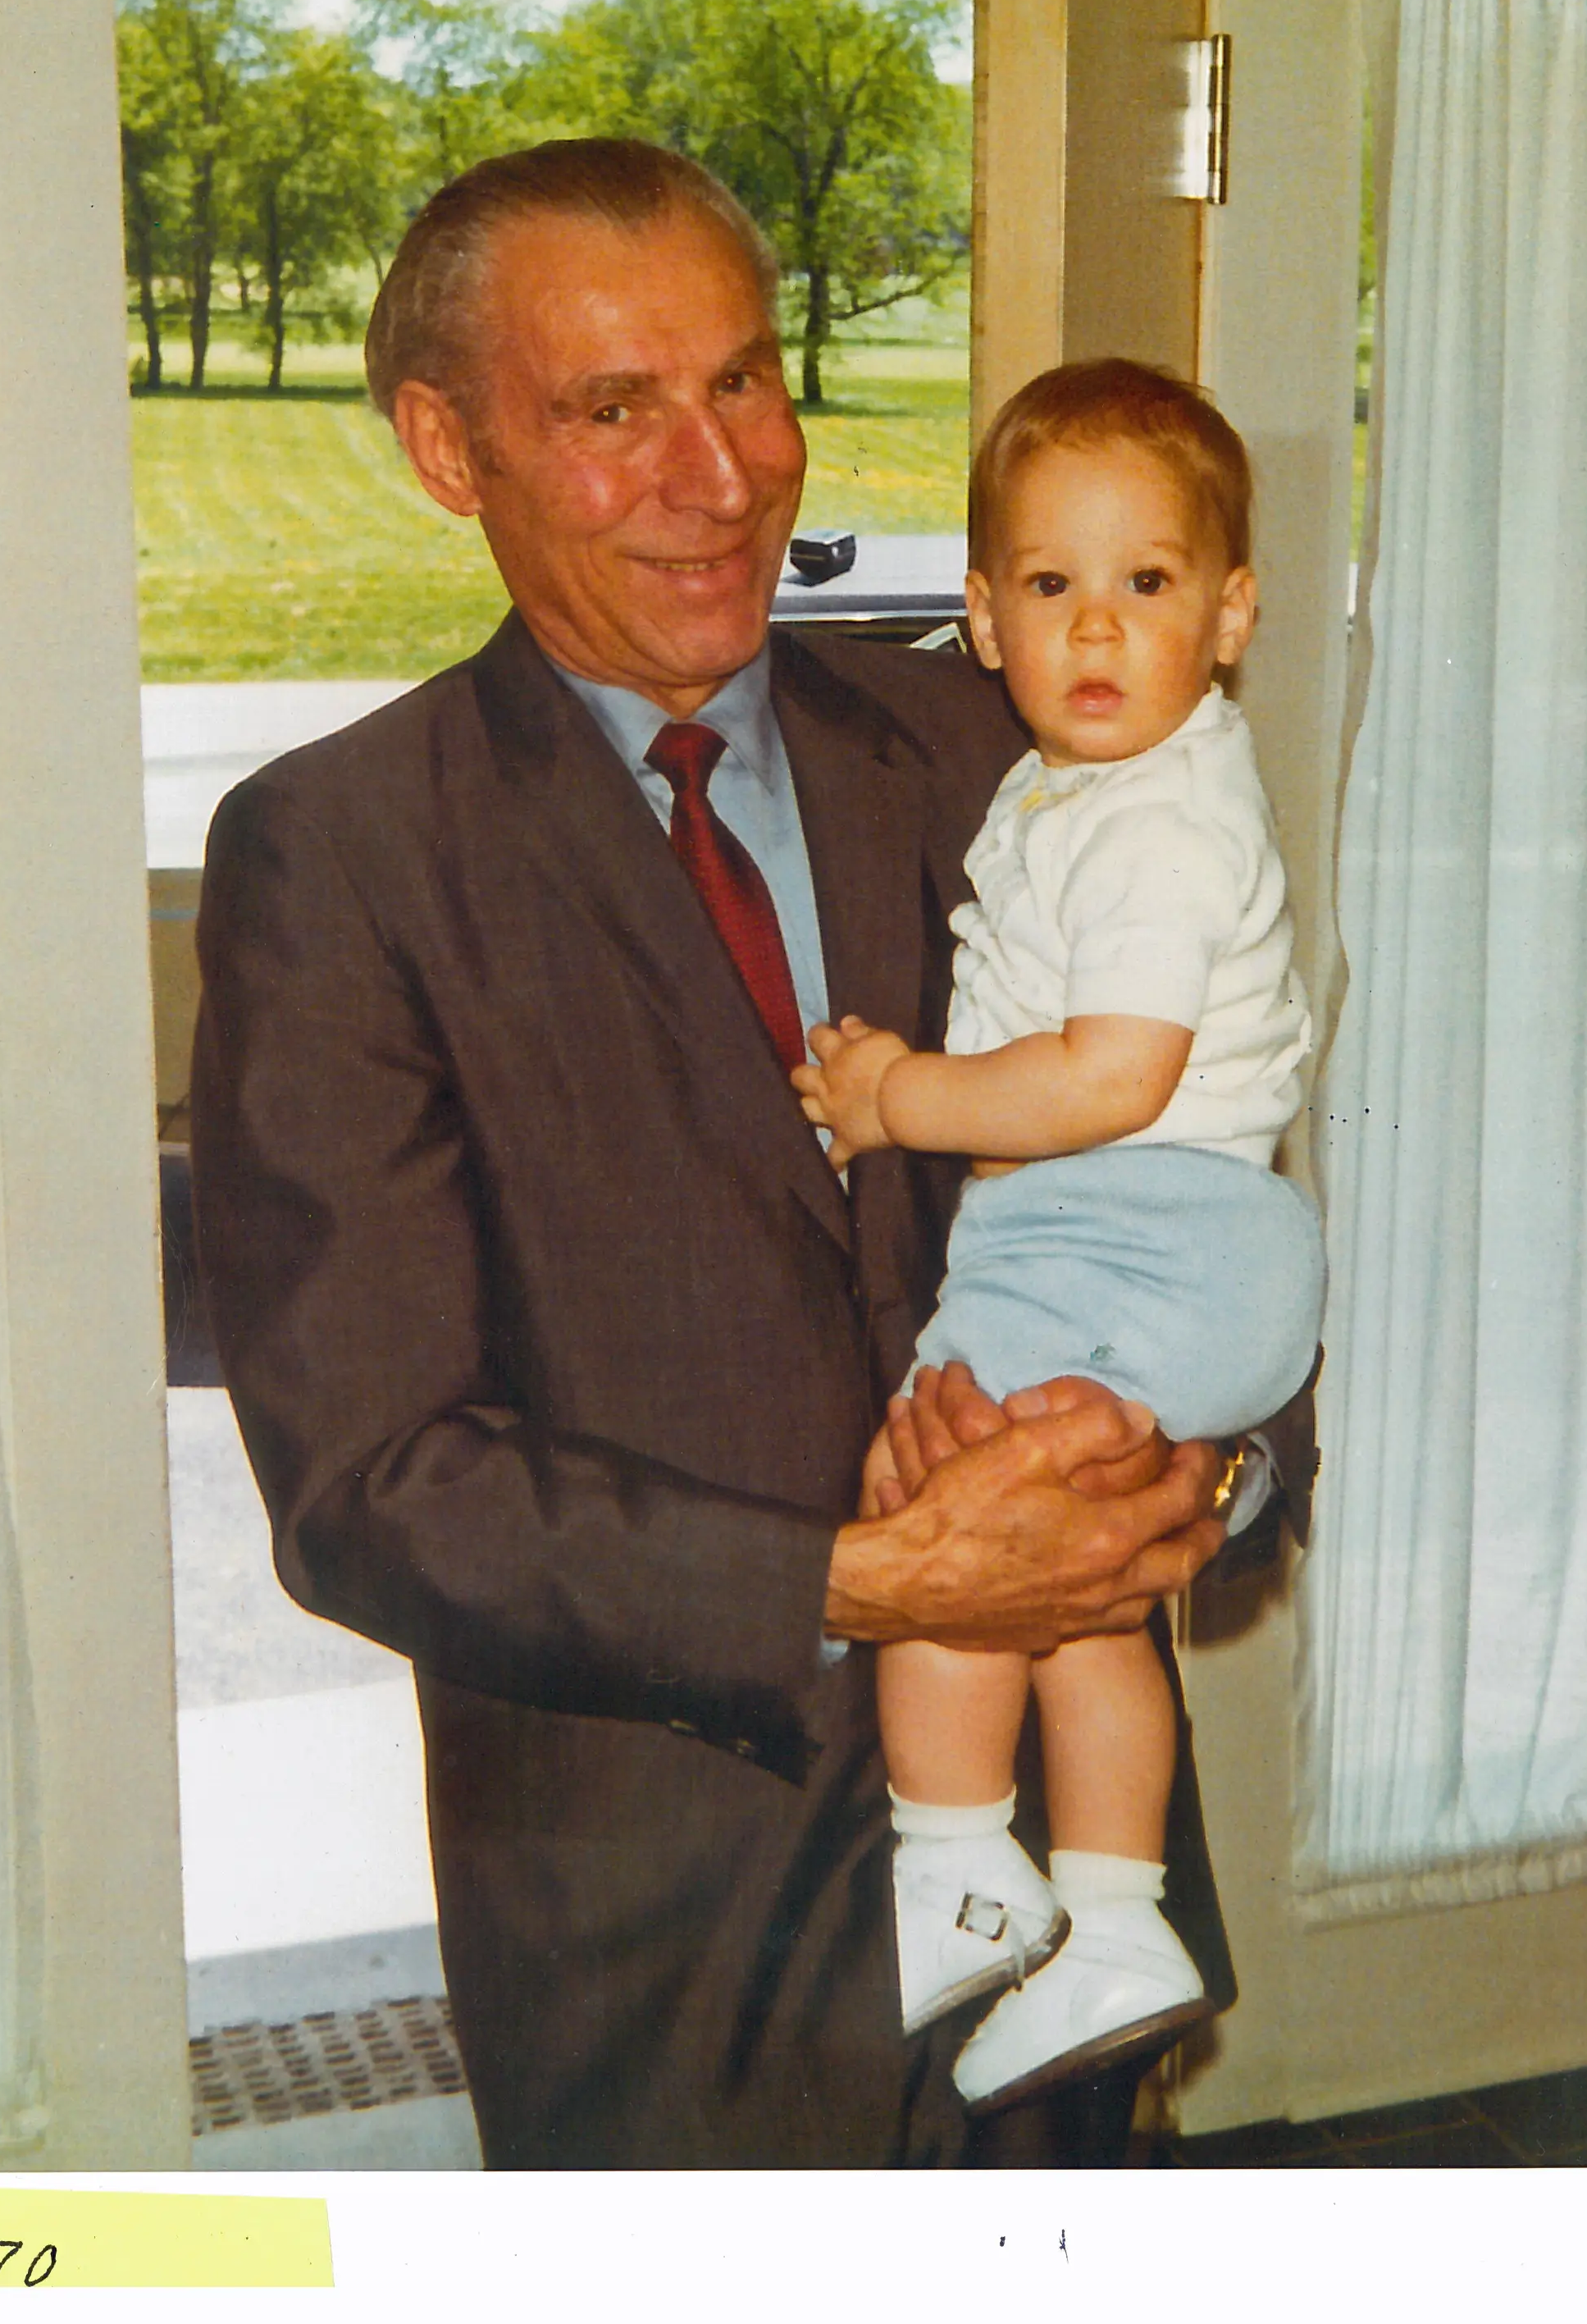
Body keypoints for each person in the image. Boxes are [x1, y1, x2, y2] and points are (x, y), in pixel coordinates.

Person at [189, 140, 1295, 2171]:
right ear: (450, 447)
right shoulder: (340, 858)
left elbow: (1207, 1187)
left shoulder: (1009, 748)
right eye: (616, 411)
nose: (726, 476)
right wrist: (870, 1577)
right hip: (670, 1957)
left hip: (1067, 1902)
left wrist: (1202, 1470)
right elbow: (374, 1482)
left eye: (747, 379)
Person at [796, 361, 1325, 2115]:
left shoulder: (1156, 819)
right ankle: (1112, 1903)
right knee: (1081, 1603)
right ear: (980, 615)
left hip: (1124, 1222)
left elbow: (1113, 1072)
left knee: (948, 1511)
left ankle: (954, 1853)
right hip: (1184, 1242)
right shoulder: (1097, 783)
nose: (1096, 629)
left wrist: (896, 1097)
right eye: (1049, 585)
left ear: (1232, 609)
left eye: (1149, 584)